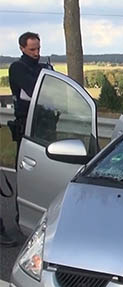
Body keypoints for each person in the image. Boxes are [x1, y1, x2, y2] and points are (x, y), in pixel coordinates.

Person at [1, 32, 52, 248]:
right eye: (32, 49)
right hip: (27, 130)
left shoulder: (44, 68)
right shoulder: (18, 68)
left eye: (38, 49)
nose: (36, 53)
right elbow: (38, 90)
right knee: (26, 178)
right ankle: (23, 220)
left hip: (47, 128)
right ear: (22, 48)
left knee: (47, 176)